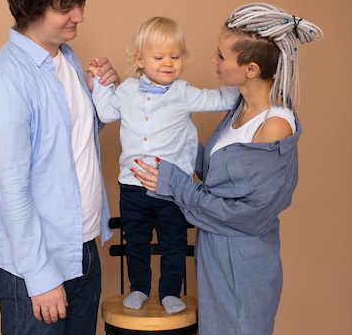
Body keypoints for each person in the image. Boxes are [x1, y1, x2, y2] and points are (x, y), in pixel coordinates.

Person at [133, 3, 323, 335]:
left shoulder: (274, 127)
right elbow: (221, 176)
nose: (213, 59)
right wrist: (169, 142)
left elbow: (247, 215)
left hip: (244, 274)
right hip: (220, 268)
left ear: (250, 69)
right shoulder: (239, 111)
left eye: (222, 55)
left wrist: (175, 183)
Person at [0, 0, 120, 335]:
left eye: (80, 3)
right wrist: (40, 278)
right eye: (65, 6)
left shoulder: (66, 59)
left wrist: (106, 93)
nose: (79, 16)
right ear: (29, 5)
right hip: (33, 266)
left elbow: (76, 139)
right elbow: (10, 190)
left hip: (83, 248)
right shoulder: (5, 81)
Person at [87, 16, 239, 314]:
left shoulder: (183, 92)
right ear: (140, 59)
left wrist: (245, 77)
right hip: (131, 188)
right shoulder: (128, 91)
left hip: (172, 189)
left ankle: (170, 290)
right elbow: (104, 112)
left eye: (175, 56)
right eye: (159, 57)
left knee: (173, 241)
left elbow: (220, 99)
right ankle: (139, 288)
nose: (168, 63)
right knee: (136, 242)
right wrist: (99, 82)